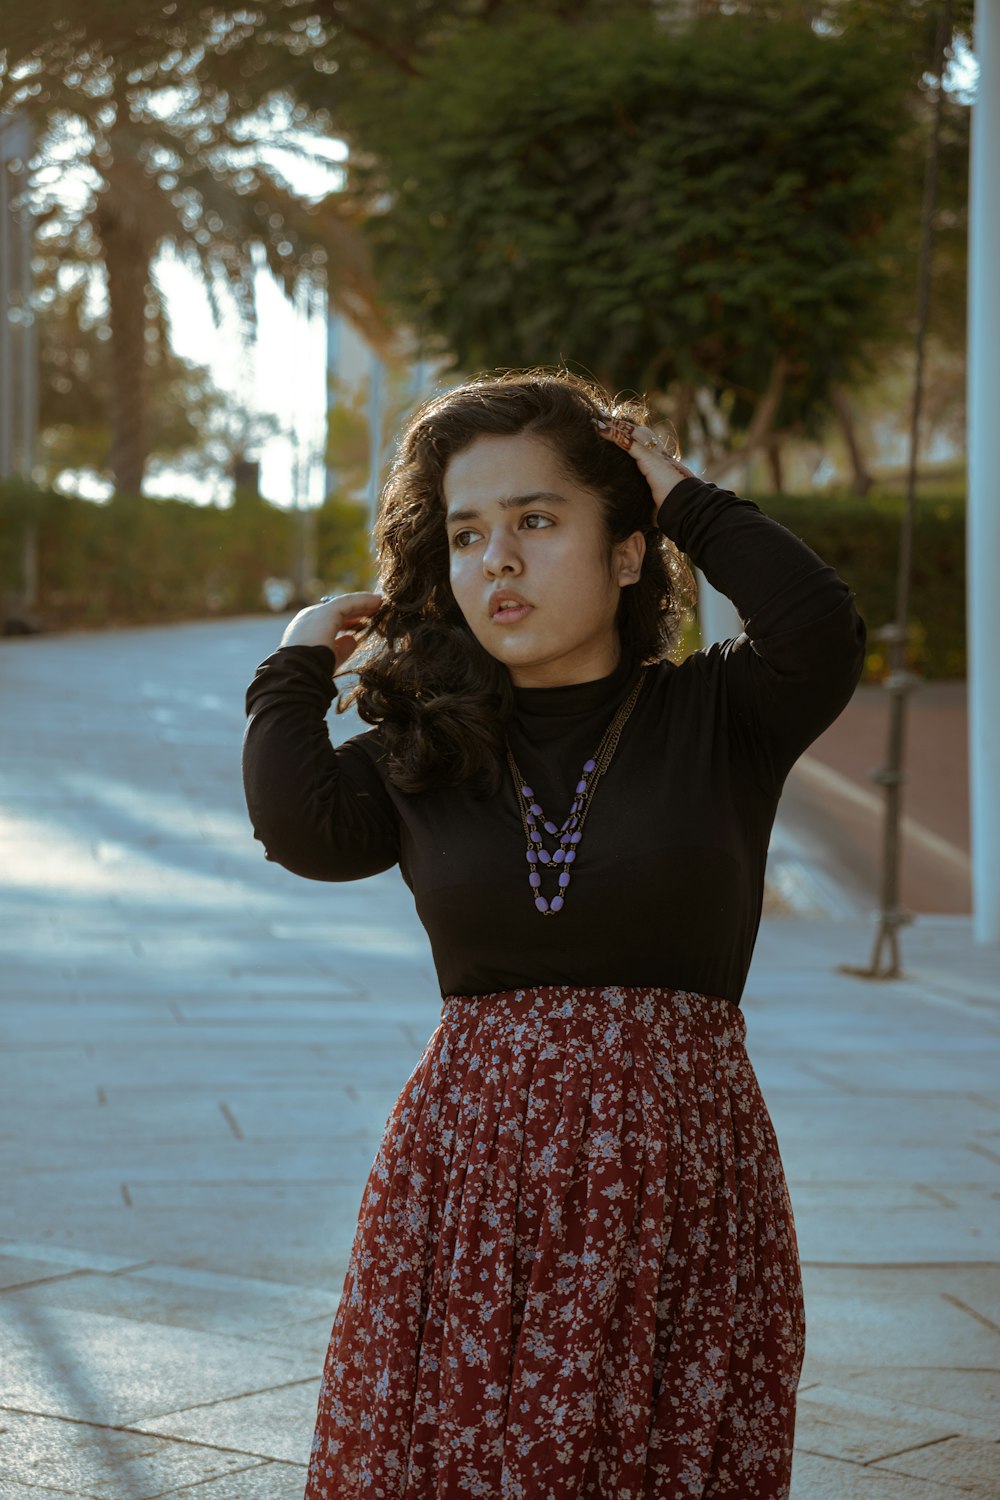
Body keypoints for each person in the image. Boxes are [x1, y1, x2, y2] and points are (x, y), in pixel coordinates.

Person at [241, 368, 867, 1499]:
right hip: (468, 1180)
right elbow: (303, 830)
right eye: (468, 535)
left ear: (627, 551)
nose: (498, 562)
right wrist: (292, 668)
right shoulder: (427, 746)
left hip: (677, 1178)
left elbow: (817, 627)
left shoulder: (717, 713)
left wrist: (680, 495)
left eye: (536, 520)